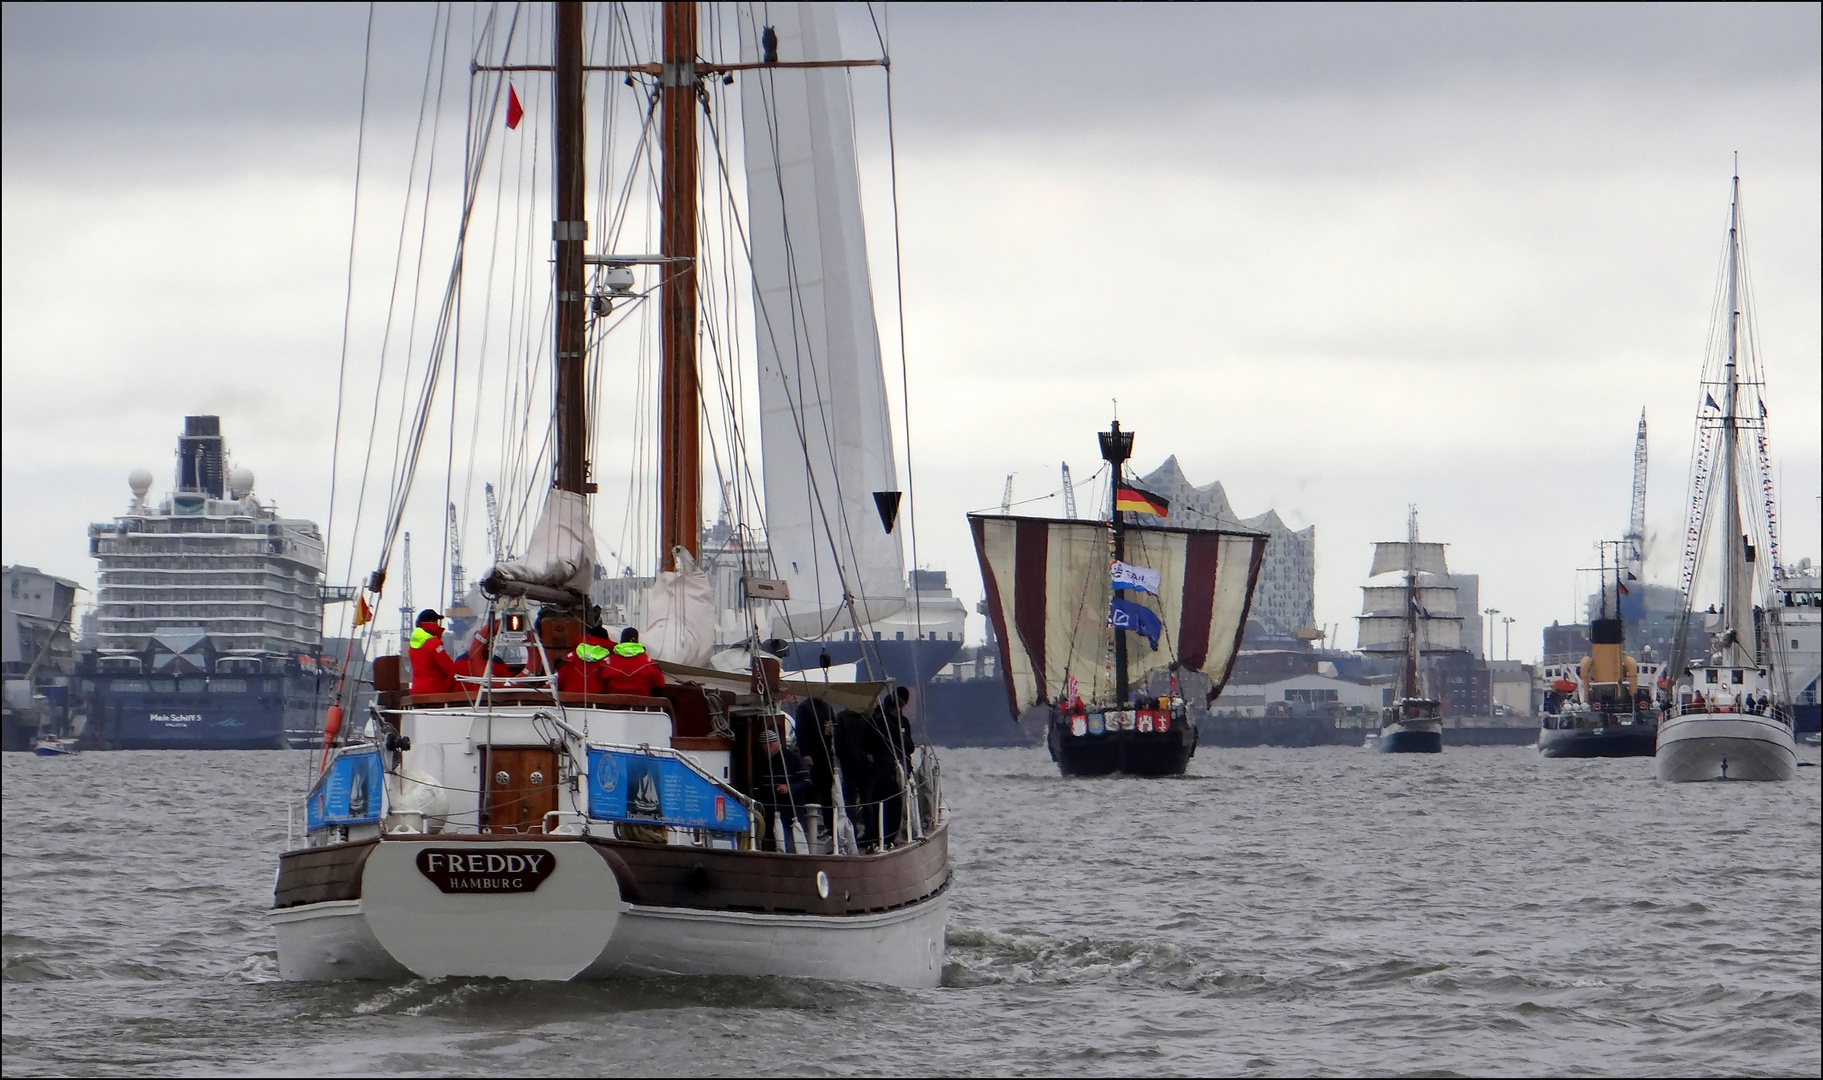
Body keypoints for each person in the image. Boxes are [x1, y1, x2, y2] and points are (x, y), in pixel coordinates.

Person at [755, 728, 811, 852]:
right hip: (769, 812)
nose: (762, 750)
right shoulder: (762, 761)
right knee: (771, 842)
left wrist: (790, 788)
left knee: (791, 844)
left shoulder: (793, 758)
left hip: (791, 812)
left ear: (770, 744)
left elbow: (807, 782)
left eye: (763, 746)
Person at [557, 615, 616, 695]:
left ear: (589, 636)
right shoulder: (610, 661)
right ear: (607, 640)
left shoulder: (571, 658)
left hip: (570, 700)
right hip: (598, 702)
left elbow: (558, 679)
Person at [600, 627, 666, 697]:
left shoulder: (606, 664)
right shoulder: (651, 664)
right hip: (643, 706)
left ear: (622, 641)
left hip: (612, 706)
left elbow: (600, 686)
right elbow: (659, 686)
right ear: (637, 640)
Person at [408, 609, 460, 696]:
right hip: (435, 691)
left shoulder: (413, 645)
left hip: (417, 691)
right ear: (432, 622)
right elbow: (448, 667)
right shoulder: (434, 643)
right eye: (437, 621)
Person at [465, 613, 518, 681]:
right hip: (491, 690)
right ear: (491, 644)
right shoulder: (497, 663)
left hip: (467, 691)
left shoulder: (460, 662)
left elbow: (449, 685)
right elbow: (508, 683)